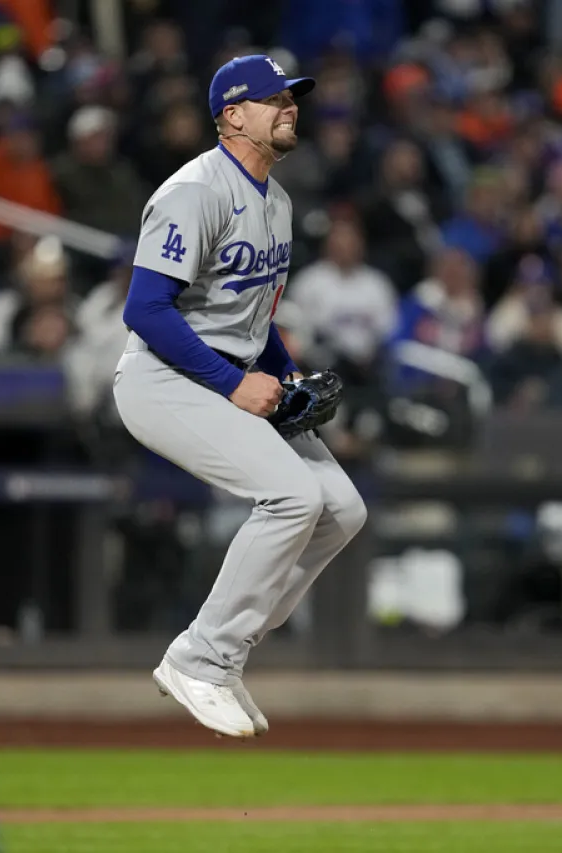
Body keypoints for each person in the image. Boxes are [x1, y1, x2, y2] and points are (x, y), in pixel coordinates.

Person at [113, 55, 368, 738]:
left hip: (229, 373)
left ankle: (230, 650)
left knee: (342, 508)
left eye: (292, 97)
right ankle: (202, 657)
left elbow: (254, 317)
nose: (289, 106)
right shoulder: (194, 189)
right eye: (272, 98)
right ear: (232, 114)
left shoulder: (277, 201)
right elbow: (145, 308)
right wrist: (234, 383)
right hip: (164, 377)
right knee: (295, 496)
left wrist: (284, 379)